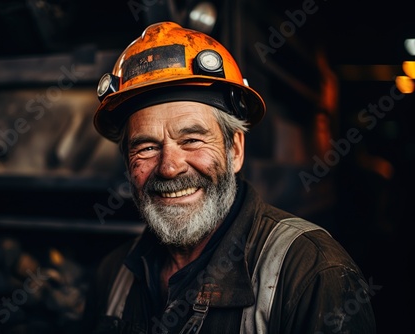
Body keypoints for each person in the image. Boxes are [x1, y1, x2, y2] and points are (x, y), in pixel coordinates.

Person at [82, 21, 376, 334]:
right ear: (128, 163)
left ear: (234, 150)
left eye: (192, 139)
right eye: (147, 147)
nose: (169, 167)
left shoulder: (312, 274)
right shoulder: (112, 275)